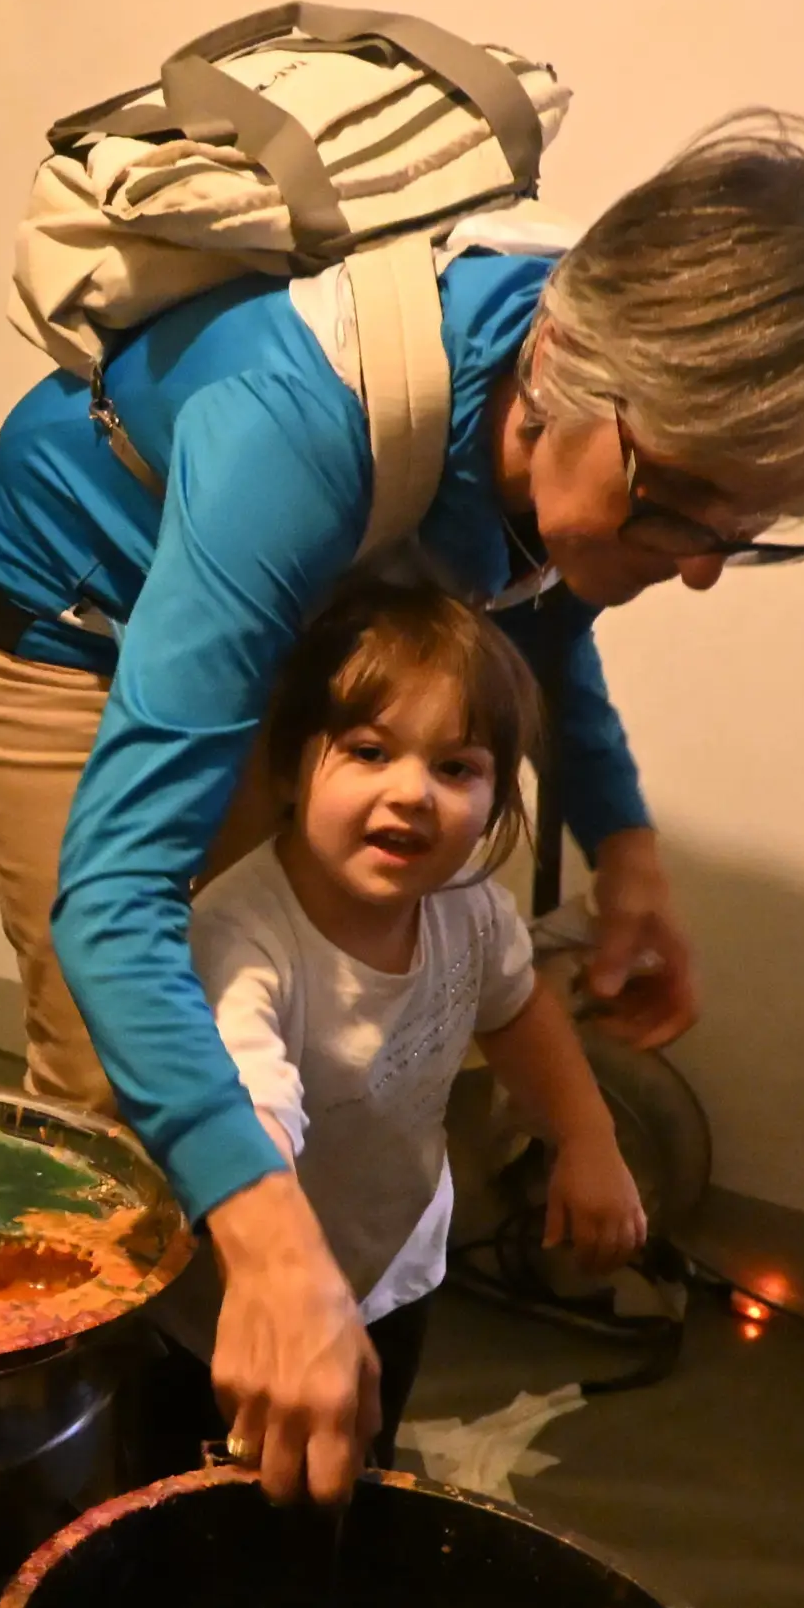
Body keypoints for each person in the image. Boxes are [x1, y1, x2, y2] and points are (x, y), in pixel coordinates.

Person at [0, 111, 804, 1503]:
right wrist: (270, 1247)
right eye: (682, 508)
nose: (700, 567)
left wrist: (625, 843)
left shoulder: (580, 411)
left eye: (747, 529)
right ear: (563, 369)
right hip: (79, 613)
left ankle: (279, 1375)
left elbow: (535, 592)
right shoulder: (294, 433)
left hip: (307, 593)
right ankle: (78, 1488)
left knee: (297, 1033)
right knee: (116, 1082)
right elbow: (113, 902)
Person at [194, 578, 646, 1452]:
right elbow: (249, 1113)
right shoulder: (241, 933)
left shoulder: (466, 908)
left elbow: (516, 1012)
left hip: (397, 1264)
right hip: (248, 1303)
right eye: (370, 751)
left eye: (456, 768)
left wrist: (588, 1139)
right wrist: (286, 1281)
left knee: (357, 1468)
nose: (413, 792)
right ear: (289, 767)